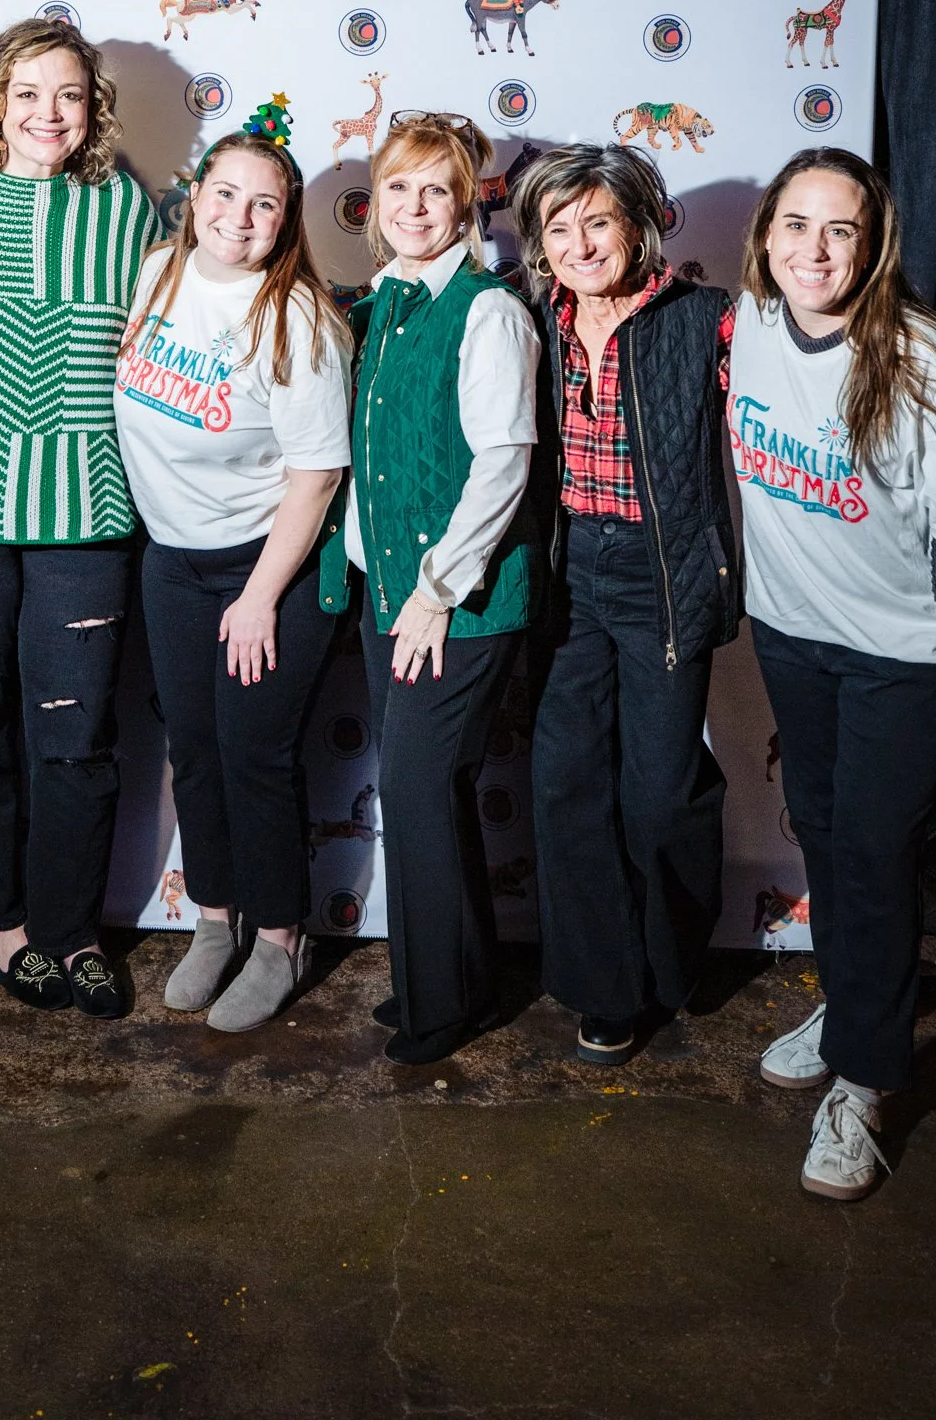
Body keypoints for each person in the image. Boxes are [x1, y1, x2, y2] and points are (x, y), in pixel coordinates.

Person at [731, 147, 936, 1200]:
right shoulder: (746, 323)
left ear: (873, 242)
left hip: (899, 659)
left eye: (840, 228)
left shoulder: (922, 358)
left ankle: (867, 1082)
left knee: (877, 863)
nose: (815, 249)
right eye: (796, 223)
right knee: (831, 844)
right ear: (764, 237)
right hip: (790, 636)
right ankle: (850, 1003)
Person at [0, 19, 158, 1016]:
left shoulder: (123, 205)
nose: (47, 112)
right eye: (27, 91)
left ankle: (71, 929)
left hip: (84, 510)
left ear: (93, 107)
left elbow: (169, 341)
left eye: (67, 93)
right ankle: (1, 918)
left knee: (78, 731)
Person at [115, 101, 351, 1030]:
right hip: (172, 561)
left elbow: (317, 474)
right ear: (196, 198)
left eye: (264, 205)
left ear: (286, 220)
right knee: (196, 751)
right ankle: (214, 919)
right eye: (225, 195)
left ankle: (282, 940)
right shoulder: (156, 275)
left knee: (254, 755)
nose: (239, 218)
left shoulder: (298, 320)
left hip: (267, 567)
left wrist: (260, 597)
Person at [319, 111, 540, 1066]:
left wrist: (436, 588)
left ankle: (438, 1008)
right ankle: (455, 978)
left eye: (435, 190)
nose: (414, 207)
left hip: (454, 600)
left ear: (464, 206)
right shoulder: (388, 300)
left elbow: (503, 464)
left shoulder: (485, 311)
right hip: (386, 594)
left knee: (414, 789)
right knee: (426, 790)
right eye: (399, 187)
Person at [512, 143, 738, 1066]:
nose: (579, 243)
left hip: (664, 572)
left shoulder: (706, 318)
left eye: (596, 221)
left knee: (660, 793)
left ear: (638, 225)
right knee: (566, 786)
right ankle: (603, 987)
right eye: (558, 228)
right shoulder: (530, 319)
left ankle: (671, 965)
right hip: (570, 574)